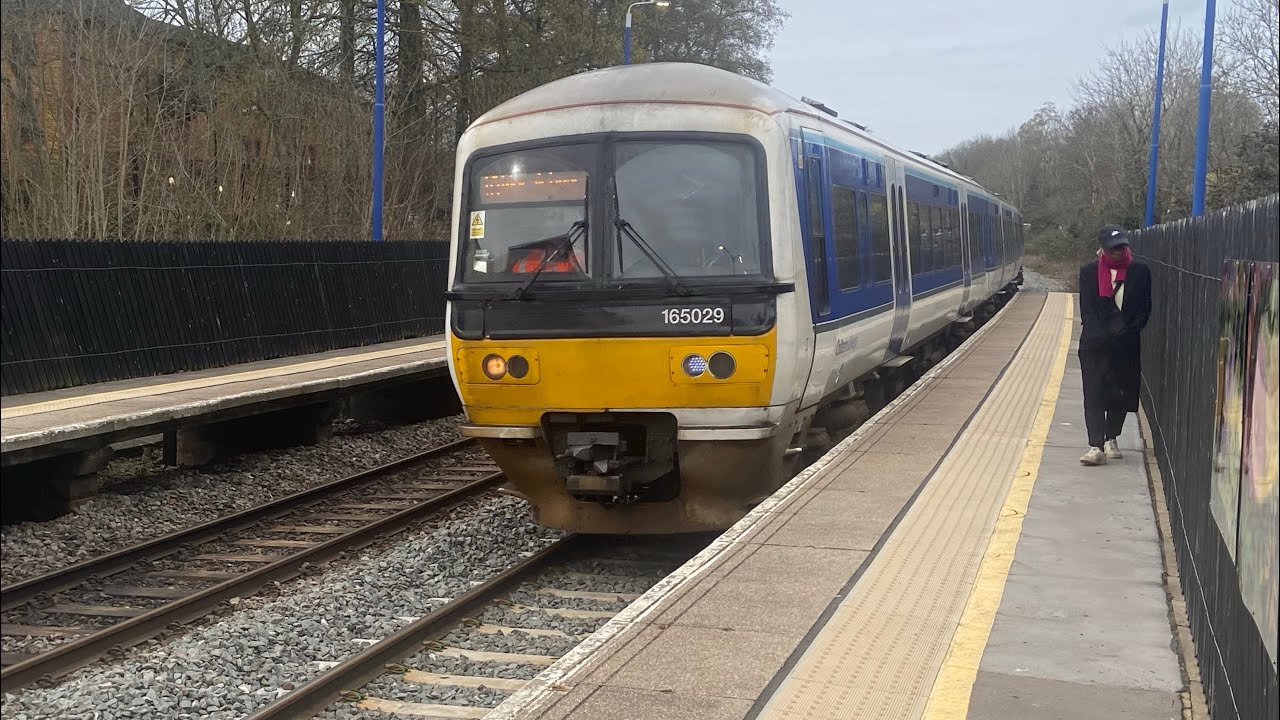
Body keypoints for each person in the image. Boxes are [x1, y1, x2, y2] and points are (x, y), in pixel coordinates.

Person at [1077, 225, 1152, 466]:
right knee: (1094, 392)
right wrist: (1102, 337)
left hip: (1126, 344)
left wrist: (1126, 334)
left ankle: (1111, 437)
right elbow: (1088, 311)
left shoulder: (1140, 272)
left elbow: (1144, 309)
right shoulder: (1088, 273)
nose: (1119, 252)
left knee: (1120, 392)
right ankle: (1095, 445)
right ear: (1102, 250)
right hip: (1095, 344)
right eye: (1113, 248)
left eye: (1122, 247)